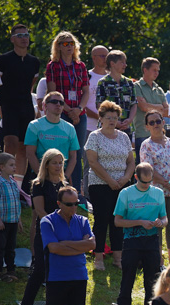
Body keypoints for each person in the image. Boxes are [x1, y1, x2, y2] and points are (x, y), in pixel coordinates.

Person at [35, 187, 95, 305]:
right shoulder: (48, 221)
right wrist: (80, 246)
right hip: (57, 277)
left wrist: (67, 244)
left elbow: (92, 245)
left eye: (77, 203)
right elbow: (53, 248)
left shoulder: (83, 220)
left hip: (79, 276)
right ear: (59, 204)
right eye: (70, 204)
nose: (74, 207)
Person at [18, 148, 65, 305]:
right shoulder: (39, 184)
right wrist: (54, 226)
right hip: (45, 231)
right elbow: (39, 210)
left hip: (62, 233)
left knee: (58, 272)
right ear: (46, 164)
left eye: (60, 162)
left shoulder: (64, 184)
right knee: (39, 271)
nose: (58, 166)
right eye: (55, 162)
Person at [113, 162, 166, 305]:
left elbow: (165, 217)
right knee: (127, 280)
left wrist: (161, 222)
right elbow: (118, 221)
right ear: (136, 178)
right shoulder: (126, 193)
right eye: (144, 182)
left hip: (151, 241)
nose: (147, 185)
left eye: (150, 181)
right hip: (132, 241)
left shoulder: (158, 193)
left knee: (152, 283)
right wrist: (140, 222)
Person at [85, 101, 134, 270]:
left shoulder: (124, 137)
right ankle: (98, 257)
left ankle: (118, 258)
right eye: (109, 117)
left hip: (122, 184)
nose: (112, 120)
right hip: (100, 184)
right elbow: (92, 162)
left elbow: (131, 162)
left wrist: (125, 178)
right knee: (101, 220)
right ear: (101, 119)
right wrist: (110, 180)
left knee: (118, 221)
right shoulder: (94, 137)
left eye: (115, 117)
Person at [45, 31, 89, 190]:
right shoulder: (53, 66)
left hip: (79, 114)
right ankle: (57, 187)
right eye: (65, 43)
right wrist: (69, 110)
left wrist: (78, 109)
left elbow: (86, 91)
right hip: (61, 112)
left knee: (76, 153)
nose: (69, 46)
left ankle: (76, 189)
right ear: (58, 47)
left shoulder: (81, 66)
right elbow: (52, 93)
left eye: (72, 43)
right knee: (60, 151)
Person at [0, 24, 40, 177]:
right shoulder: (3, 59)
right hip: (9, 106)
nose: (24, 39)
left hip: (26, 107)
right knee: (11, 143)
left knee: (24, 147)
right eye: (20, 36)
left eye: (26, 35)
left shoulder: (34, 62)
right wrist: (1, 109)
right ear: (12, 39)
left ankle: (19, 187)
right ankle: (5, 181)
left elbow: (30, 85)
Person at [139, 110, 170, 261]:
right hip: (155, 192)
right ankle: (157, 260)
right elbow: (148, 169)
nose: (156, 125)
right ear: (147, 127)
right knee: (156, 226)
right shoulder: (146, 145)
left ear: (163, 122)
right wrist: (166, 183)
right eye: (152, 123)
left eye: (158, 121)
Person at [24, 90, 78, 185]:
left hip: (61, 176)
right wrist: (42, 176)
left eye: (61, 103)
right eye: (54, 102)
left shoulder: (70, 128)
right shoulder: (34, 125)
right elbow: (30, 154)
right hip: (40, 176)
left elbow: (73, 157)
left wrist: (64, 178)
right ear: (45, 105)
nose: (58, 104)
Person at [81, 45, 108, 198]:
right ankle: (87, 196)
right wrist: (101, 117)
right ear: (93, 57)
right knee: (89, 163)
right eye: (102, 55)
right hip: (88, 126)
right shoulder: (87, 76)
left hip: (107, 128)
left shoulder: (111, 78)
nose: (105, 59)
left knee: (105, 163)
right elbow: (83, 102)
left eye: (107, 55)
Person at [0, 153, 21, 282]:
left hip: (13, 221)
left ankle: (10, 269)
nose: (14, 167)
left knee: (11, 246)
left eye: (14, 165)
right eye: (11, 165)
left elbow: (17, 202)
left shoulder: (13, 183)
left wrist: (18, 220)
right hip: (3, 222)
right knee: (0, 247)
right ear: (2, 167)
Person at [133, 57, 170, 160]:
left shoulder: (159, 89)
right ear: (145, 70)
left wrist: (150, 106)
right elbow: (143, 107)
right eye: (154, 70)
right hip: (142, 133)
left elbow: (167, 111)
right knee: (143, 168)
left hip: (159, 135)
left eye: (158, 70)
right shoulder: (136, 86)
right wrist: (159, 107)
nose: (157, 73)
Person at [94, 50, 137, 138]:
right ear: (112, 63)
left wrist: (130, 119)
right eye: (122, 62)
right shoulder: (103, 82)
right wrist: (114, 121)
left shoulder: (129, 83)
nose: (125, 65)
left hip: (126, 128)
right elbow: (99, 105)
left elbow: (134, 104)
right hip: (107, 128)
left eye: (125, 62)